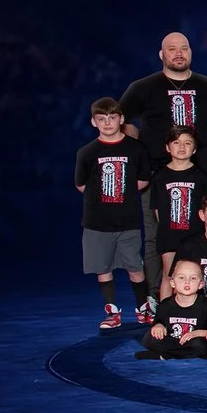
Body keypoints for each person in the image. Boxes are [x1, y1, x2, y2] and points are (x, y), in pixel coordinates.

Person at [78, 97, 154, 328]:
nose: (107, 123)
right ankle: (112, 312)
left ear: (121, 119)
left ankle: (143, 308)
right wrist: (106, 194)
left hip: (127, 220)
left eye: (112, 117)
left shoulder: (136, 148)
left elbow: (144, 179)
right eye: (102, 119)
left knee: (135, 266)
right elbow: (81, 185)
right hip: (97, 222)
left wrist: (122, 191)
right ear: (94, 122)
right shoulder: (87, 152)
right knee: (103, 268)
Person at [119, 32, 207, 151]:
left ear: (190, 53)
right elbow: (118, 120)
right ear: (161, 55)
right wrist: (140, 143)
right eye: (172, 49)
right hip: (156, 162)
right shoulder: (141, 87)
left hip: (200, 161)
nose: (179, 54)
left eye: (184, 49)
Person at [135, 256, 207, 360]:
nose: (187, 282)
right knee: (149, 338)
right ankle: (175, 354)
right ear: (172, 283)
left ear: (201, 284)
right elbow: (158, 322)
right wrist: (158, 326)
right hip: (172, 340)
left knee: (200, 346)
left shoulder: (206, 305)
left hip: (193, 342)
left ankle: (164, 356)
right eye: (181, 278)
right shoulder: (165, 304)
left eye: (193, 278)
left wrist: (197, 333)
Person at [147, 128, 205, 297]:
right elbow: (157, 210)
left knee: (195, 275)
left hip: (195, 234)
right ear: (167, 147)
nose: (181, 147)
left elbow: (206, 209)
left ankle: (196, 311)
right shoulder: (159, 176)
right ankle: (165, 311)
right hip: (169, 235)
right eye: (176, 142)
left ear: (194, 149)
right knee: (169, 274)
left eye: (187, 143)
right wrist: (167, 230)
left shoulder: (201, 176)